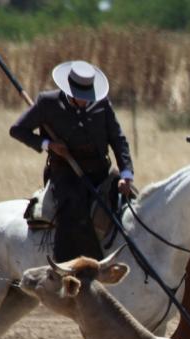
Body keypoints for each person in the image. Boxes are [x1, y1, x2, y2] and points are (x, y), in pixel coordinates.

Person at [10, 60, 134, 263]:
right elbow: (17, 130)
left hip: (101, 172)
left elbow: (118, 140)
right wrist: (48, 144)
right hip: (66, 174)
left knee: (130, 205)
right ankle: (76, 268)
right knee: (75, 211)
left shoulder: (101, 103)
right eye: (81, 97)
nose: (85, 101)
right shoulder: (47, 103)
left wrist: (127, 174)